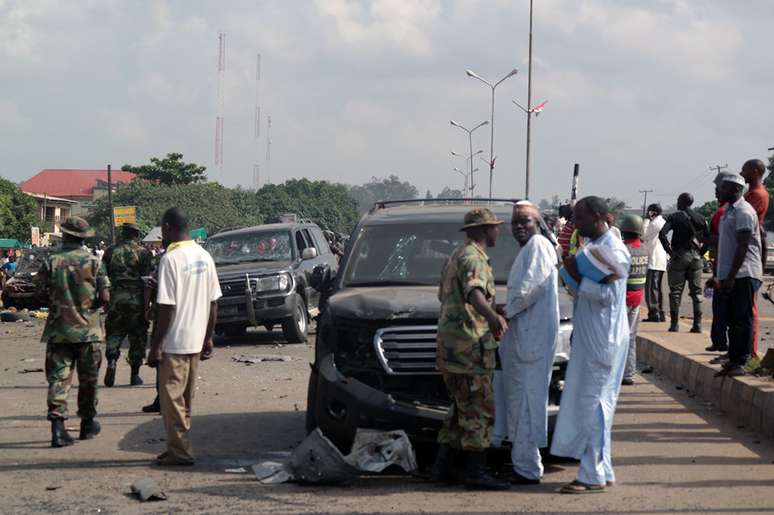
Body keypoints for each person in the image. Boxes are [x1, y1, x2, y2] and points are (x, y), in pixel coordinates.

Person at [550, 196, 631, 494]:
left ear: (599, 217)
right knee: (599, 402)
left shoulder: (614, 251)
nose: (576, 226)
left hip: (603, 337)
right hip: (593, 334)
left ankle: (591, 475)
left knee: (594, 403)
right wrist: (572, 272)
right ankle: (603, 468)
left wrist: (574, 273)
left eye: (581, 219)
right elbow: (583, 290)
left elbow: (608, 295)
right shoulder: (594, 249)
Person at [431, 207, 510, 491]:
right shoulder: (474, 258)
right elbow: (475, 293)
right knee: (478, 409)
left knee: (460, 409)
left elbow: (451, 296)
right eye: (493, 227)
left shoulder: (456, 256)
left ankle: (442, 468)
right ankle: (476, 472)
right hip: (469, 348)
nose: (497, 231)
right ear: (482, 230)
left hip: (452, 348)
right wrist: (493, 318)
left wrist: (491, 309)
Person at [147, 208, 222, 466]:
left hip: (175, 341)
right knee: (184, 400)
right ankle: (177, 446)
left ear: (168, 227)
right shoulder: (204, 256)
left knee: (171, 401)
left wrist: (155, 346)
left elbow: (166, 307)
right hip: (195, 339)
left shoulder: (171, 259)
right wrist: (208, 336)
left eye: (162, 229)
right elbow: (214, 304)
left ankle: (181, 451)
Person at [498, 201, 559, 484]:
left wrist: (502, 313)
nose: (520, 226)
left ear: (538, 224)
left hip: (530, 342)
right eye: (516, 222)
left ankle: (527, 469)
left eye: (526, 221)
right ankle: (523, 463)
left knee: (526, 403)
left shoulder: (537, 246)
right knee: (521, 403)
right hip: (525, 339)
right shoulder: (530, 248)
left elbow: (527, 291)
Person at [36, 217, 110, 447]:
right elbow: (105, 296)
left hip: (59, 331)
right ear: (84, 237)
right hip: (89, 332)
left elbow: (39, 294)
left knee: (58, 379)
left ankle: (58, 428)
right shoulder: (94, 261)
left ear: (65, 235)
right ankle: (87, 423)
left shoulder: (52, 261)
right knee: (89, 380)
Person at [713, 175, 762, 377]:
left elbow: (742, 246)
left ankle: (742, 360)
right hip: (730, 274)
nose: (720, 191)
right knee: (732, 318)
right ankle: (733, 360)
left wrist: (731, 276)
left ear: (734, 189)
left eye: (723, 188)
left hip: (743, 273)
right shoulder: (728, 212)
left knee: (742, 318)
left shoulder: (743, 211)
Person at [103, 223, 153, 387]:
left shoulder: (110, 251)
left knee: (114, 333)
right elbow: (148, 282)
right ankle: (134, 374)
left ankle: (111, 361)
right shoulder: (143, 253)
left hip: (116, 299)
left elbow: (103, 278)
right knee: (137, 337)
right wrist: (147, 307)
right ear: (136, 235)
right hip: (137, 300)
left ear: (122, 234)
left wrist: (106, 302)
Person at [659, 193, 708, 333]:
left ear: (682, 202)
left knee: (675, 291)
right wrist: (701, 253)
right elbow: (708, 238)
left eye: (678, 200)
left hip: (679, 256)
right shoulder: (701, 218)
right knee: (697, 292)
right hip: (696, 258)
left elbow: (662, 234)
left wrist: (670, 252)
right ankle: (697, 325)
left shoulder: (674, 217)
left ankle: (674, 324)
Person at [741, 159, 770, 358]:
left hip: (748, 256)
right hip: (745, 255)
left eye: (744, 169)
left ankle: (749, 352)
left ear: (754, 171)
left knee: (748, 310)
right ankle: (739, 350)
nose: (741, 172)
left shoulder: (758, 195)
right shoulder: (751, 194)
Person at [705, 172, 733, 353]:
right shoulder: (727, 211)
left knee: (721, 307)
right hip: (723, 264)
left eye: (719, 189)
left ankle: (720, 342)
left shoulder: (723, 213)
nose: (716, 193)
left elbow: (718, 240)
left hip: (723, 265)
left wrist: (706, 239)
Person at [619, 215, 648, 385]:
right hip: (637, 298)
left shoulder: (623, 250)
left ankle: (616, 372)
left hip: (623, 299)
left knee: (617, 337)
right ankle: (629, 373)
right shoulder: (645, 249)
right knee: (631, 337)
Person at [642, 204, 668, 322]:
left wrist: (646, 219)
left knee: (651, 288)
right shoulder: (662, 221)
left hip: (654, 258)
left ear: (653, 213)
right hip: (660, 258)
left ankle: (654, 313)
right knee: (657, 288)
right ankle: (660, 312)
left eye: (649, 212)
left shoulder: (655, 223)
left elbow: (643, 234)